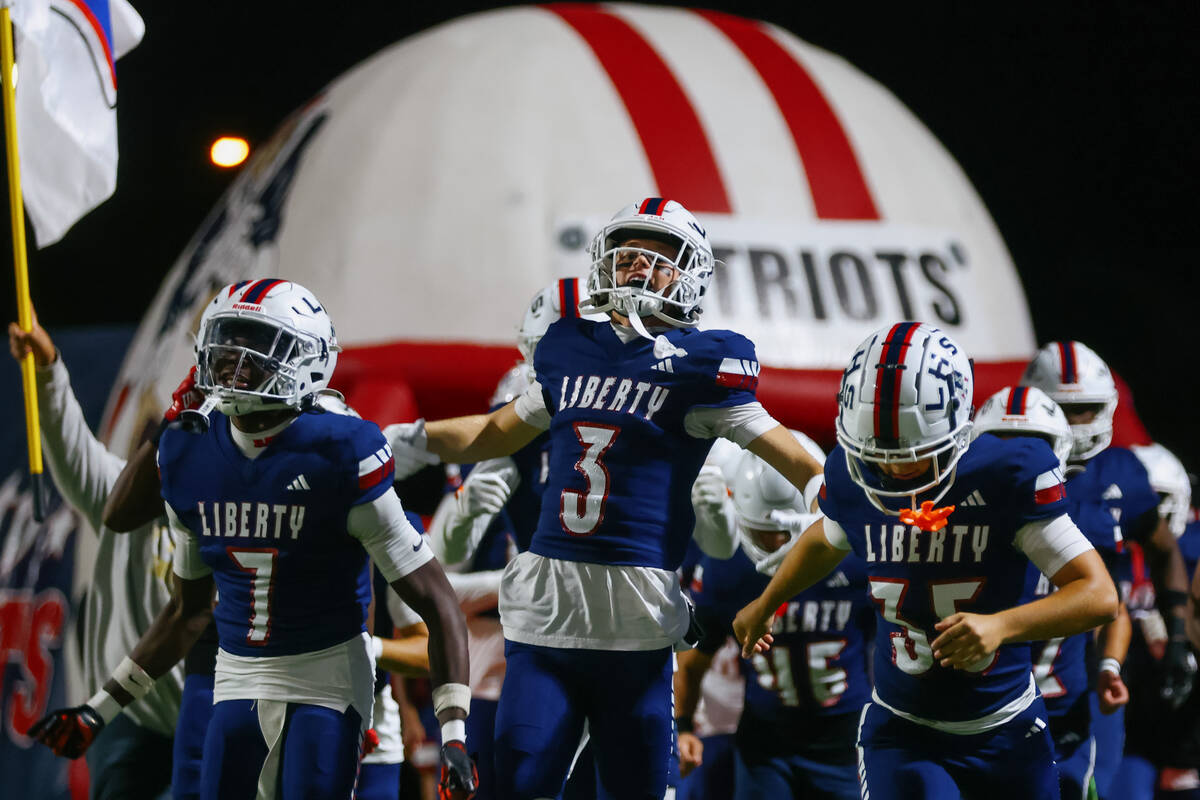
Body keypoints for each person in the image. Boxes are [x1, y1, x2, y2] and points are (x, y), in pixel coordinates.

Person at [388, 198, 825, 799]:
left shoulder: (702, 365)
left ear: (690, 273)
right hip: (547, 616)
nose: (640, 268)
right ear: (604, 263)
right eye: (628, 254)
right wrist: (409, 440)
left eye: (661, 258)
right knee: (518, 788)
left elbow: (789, 453)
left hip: (637, 624)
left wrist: (826, 496)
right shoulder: (570, 346)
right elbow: (496, 431)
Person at [27, 280, 478, 800]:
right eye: (226, 342)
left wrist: (454, 734)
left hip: (326, 674)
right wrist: (98, 709)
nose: (231, 362)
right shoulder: (190, 450)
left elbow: (437, 600)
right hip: (235, 673)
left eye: (256, 345)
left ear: (308, 358)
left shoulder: (341, 449)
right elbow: (184, 609)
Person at [733, 322, 1119, 799]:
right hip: (905, 729)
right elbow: (825, 537)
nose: (894, 470)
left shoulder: (1006, 475)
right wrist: (768, 601)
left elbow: (1099, 595)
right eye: (879, 455)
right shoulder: (854, 481)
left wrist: (1001, 627)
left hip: (1007, 724)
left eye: (915, 456)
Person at [8, 314, 183, 800]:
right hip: (133, 715)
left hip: (212, 714)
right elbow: (71, 448)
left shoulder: (233, 510)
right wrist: (47, 369)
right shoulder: (121, 493)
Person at [676, 434, 873, 800]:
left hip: (844, 738)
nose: (776, 547)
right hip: (765, 743)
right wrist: (684, 725)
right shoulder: (731, 569)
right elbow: (693, 658)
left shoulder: (853, 556)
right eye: (765, 535)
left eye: (785, 534)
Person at [973, 385, 1132, 800]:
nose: (1016, 458)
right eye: (1000, 443)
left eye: (1032, 444)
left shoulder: (1085, 523)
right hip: (979, 721)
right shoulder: (955, 529)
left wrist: (1110, 666)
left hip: (1063, 721)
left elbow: (1114, 608)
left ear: (1059, 450)